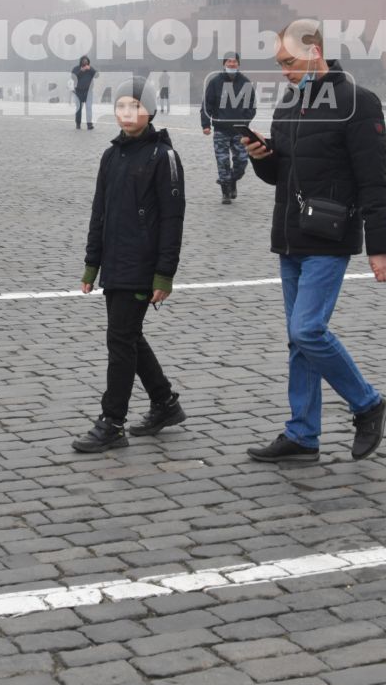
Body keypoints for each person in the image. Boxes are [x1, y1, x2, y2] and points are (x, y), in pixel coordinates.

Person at [240, 18, 386, 464]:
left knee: (307, 329)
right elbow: (281, 176)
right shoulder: (288, 104)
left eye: (289, 62)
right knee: (297, 339)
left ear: (314, 51)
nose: (283, 71)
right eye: (279, 63)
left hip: (329, 235)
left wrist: (380, 247)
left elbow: (375, 180)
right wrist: (261, 159)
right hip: (290, 236)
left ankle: (367, 404)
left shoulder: (358, 102)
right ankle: (303, 434)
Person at [73, 78, 185, 453]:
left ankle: (112, 422)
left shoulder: (163, 157)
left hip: (142, 263)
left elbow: (172, 220)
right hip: (114, 263)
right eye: (121, 106)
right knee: (128, 335)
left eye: (134, 107)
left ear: (150, 111)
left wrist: (164, 274)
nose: (127, 114)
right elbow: (98, 213)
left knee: (120, 339)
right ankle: (165, 402)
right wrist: (92, 265)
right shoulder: (111, 155)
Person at [200, 52, 255, 205]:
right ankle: (225, 192)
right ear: (224, 64)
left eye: (234, 61)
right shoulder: (215, 82)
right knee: (222, 161)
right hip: (220, 130)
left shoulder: (245, 83)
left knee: (242, 161)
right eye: (229, 61)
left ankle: (232, 181)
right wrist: (205, 125)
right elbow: (206, 105)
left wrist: (245, 121)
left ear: (238, 64)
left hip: (239, 131)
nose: (232, 64)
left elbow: (252, 106)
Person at [71, 56, 97, 129]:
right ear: (81, 62)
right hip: (78, 92)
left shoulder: (90, 69)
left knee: (89, 108)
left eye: (86, 61)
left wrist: (91, 69)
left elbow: (97, 75)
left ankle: (89, 124)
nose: (85, 62)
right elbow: (73, 77)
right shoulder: (76, 68)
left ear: (88, 62)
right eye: (84, 61)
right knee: (79, 108)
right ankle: (78, 124)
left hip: (89, 92)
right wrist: (81, 71)